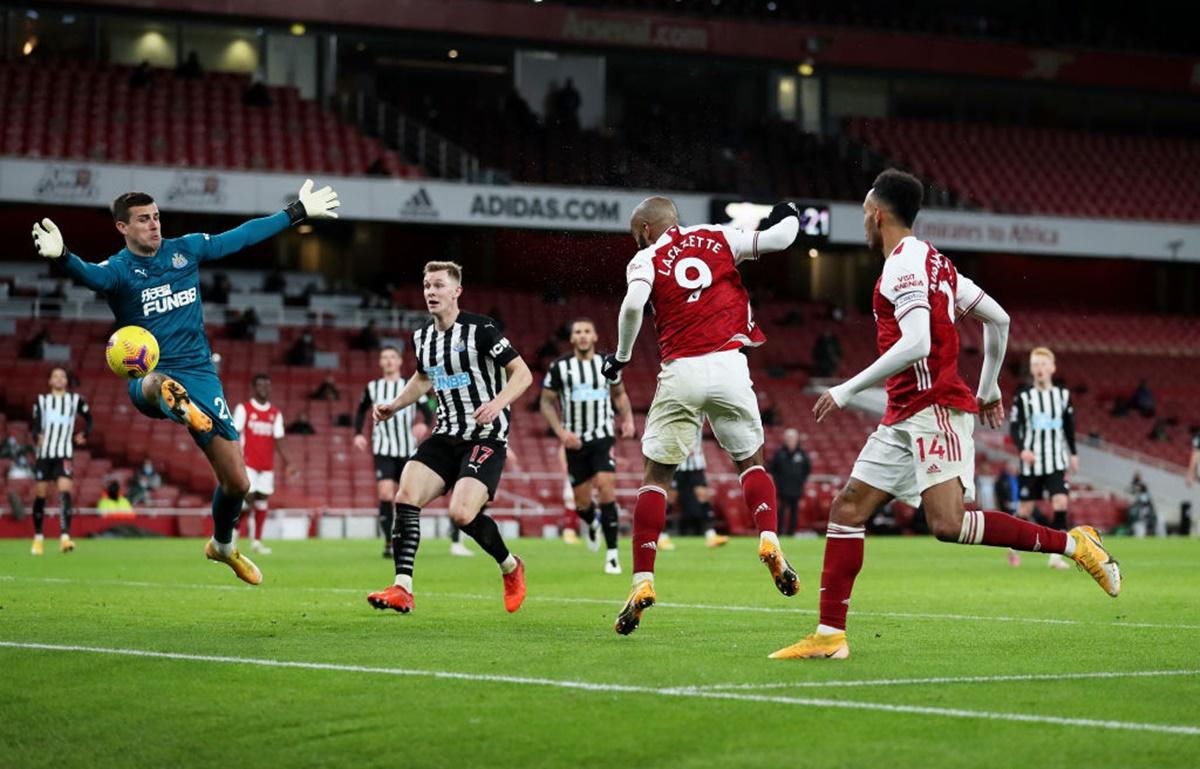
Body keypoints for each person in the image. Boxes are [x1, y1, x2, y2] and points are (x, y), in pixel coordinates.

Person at [771, 169, 1121, 661]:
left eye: (865, 213)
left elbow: (917, 342)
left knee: (948, 524)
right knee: (847, 508)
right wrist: (989, 385)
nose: (864, 223)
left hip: (933, 409)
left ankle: (1074, 543)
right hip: (903, 412)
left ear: (876, 213)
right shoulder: (937, 264)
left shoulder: (902, 266)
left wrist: (848, 389)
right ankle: (830, 635)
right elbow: (998, 319)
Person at [31, 178, 340, 584]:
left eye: (157, 217)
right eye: (144, 220)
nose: (155, 225)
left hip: (201, 375)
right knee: (159, 384)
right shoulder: (118, 271)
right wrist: (64, 256)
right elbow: (91, 276)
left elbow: (241, 237)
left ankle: (223, 546)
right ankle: (181, 408)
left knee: (238, 483)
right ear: (122, 227)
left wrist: (294, 212)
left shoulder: (184, 250)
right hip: (149, 377)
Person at [601, 195, 805, 636]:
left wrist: (620, 358)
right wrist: (786, 209)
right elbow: (782, 238)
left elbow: (634, 306)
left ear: (646, 230)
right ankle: (769, 536)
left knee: (655, 478)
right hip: (730, 363)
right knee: (750, 462)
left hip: (681, 370)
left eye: (637, 233)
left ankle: (643, 581)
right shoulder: (717, 235)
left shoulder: (646, 258)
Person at [367, 261, 532, 614]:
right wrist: (394, 406)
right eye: (427, 285)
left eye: (439, 285)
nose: (431, 292)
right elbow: (423, 379)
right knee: (406, 494)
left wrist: (497, 403)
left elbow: (522, 373)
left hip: (485, 436)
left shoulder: (482, 329)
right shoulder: (422, 337)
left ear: (456, 291)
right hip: (445, 433)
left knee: (461, 514)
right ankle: (402, 587)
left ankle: (510, 567)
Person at [539, 318, 636, 574]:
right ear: (572, 338)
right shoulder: (559, 367)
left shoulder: (607, 364)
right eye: (578, 332)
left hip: (602, 437)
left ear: (594, 337)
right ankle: (591, 522)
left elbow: (619, 394)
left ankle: (613, 555)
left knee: (606, 487)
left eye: (587, 332)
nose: (582, 336)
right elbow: (546, 402)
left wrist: (627, 419)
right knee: (582, 505)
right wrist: (560, 432)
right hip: (575, 442)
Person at [353, 345, 449, 559]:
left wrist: (423, 424)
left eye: (392, 357)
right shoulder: (373, 387)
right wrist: (358, 433)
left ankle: (405, 539)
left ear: (399, 361)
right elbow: (360, 411)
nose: (388, 361)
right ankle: (388, 541)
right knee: (385, 493)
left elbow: (427, 409)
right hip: (383, 449)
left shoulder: (409, 385)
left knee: (409, 498)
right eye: (384, 357)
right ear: (380, 362)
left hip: (407, 450)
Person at [1010, 347, 1078, 570]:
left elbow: (1069, 427)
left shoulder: (1063, 396)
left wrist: (1074, 453)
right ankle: (1013, 546)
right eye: (1035, 364)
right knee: (1025, 510)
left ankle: (1056, 556)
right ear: (1031, 369)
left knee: (1061, 502)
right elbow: (1014, 427)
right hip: (1032, 461)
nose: (1039, 368)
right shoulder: (1023, 397)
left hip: (1056, 460)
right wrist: (1022, 450)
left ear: (1052, 368)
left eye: (1043, 364)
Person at [29, 366, 91, 555]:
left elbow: (90, 418)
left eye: (62, 375)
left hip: (64, 452)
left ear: (66, 380)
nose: (58, 378)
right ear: (50, 381)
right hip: (45, 454)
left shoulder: (75, 400)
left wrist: (85, 433)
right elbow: (35, 424)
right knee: (41, 494)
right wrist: (36, 436)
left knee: (64, 491)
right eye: (55, 376)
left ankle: (65, 537)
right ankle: (38, 537)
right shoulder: (41, 401)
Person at [233, 374, 296, 555]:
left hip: (266, 466)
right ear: (254, 387)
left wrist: (290, 463)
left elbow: (280, 440)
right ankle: (232, 533)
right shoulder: (244, 409)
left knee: (261, 502)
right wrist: (233, 460)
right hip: (247, 463)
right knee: (248, 499)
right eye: (260, 385)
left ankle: (256, 542)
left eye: (267, 385)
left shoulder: (275, 413)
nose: (264, 388)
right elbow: (235, 435)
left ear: (270, 388)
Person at [669, 432, 729, 548]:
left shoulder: (701, 414)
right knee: (670, 499)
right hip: (677, 463)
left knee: (704, 497)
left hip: (697, 464)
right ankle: (662, 536)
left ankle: (711, 535)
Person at [770, 428, 811, 536]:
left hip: (796, 489)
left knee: (794, 512)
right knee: (780, 511)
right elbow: (773, 468)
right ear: (785, 439)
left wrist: (802, 481)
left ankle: (791, 533)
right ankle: (778, 532)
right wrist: (777, 481)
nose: (791, 440)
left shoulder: (802, 454)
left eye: (792, 438)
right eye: (788, 438)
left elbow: (807, 469)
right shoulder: (779, 453)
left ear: (797, 439)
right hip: (782, 488)